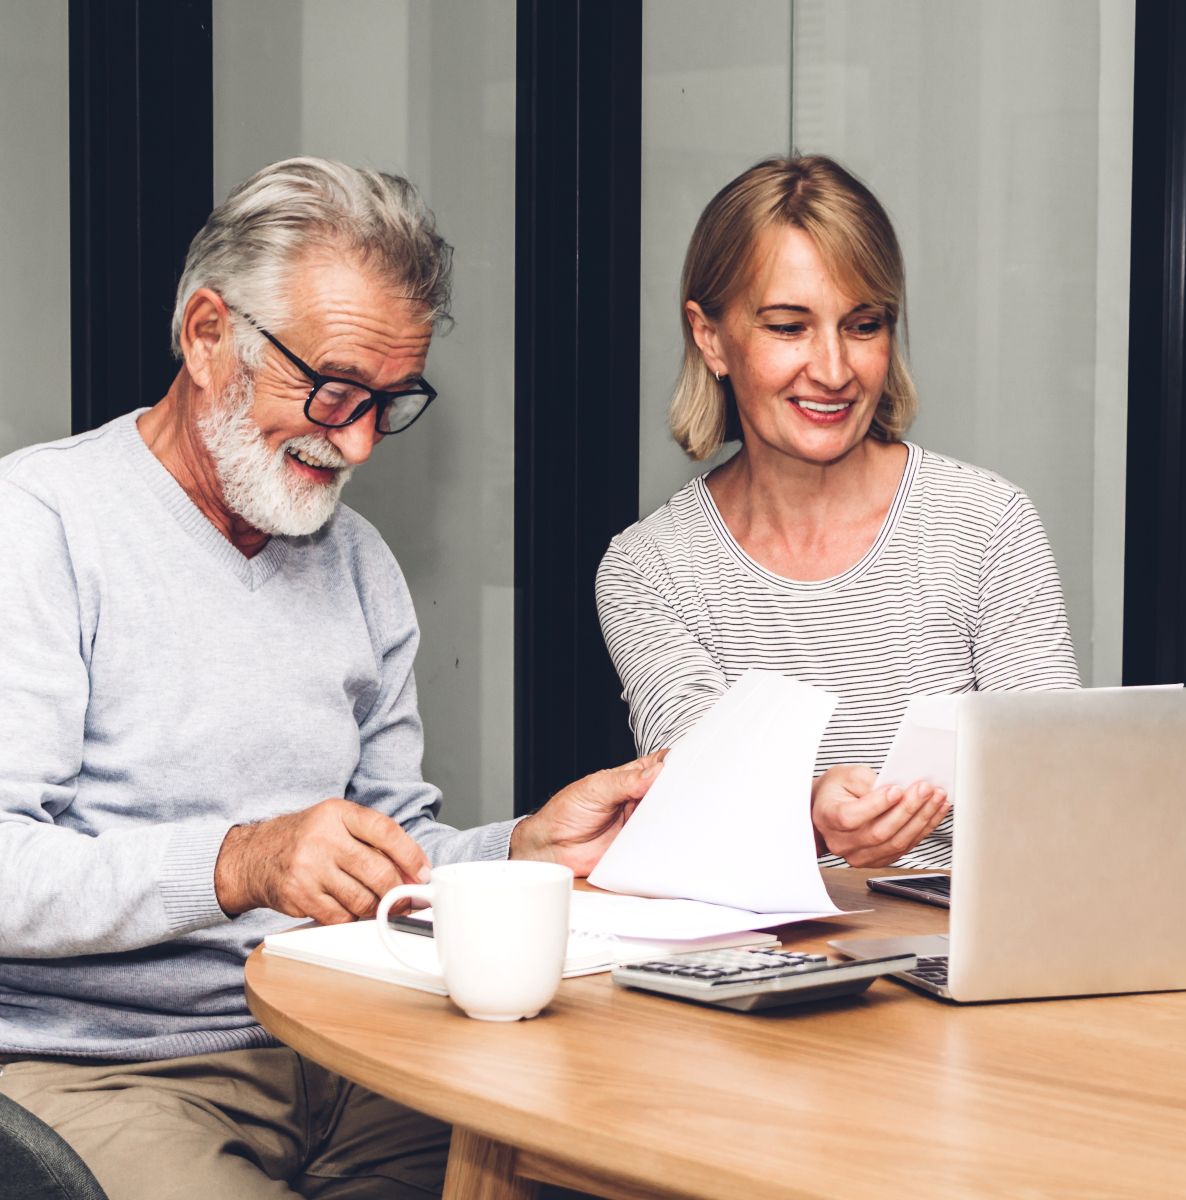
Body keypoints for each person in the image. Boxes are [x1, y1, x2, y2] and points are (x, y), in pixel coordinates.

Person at [0, 157, 664, 1200]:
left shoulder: (356, 563)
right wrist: (240, 861)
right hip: (112, 1074)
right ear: (208, 334)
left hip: (352, 1047)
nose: (356, 440)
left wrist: (523, 848)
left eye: (387, 404)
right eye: (334, 389)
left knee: (596, 1171)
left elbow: (390, 853)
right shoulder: (40, 528)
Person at [596, 155, 1079, 871]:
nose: (832, 369)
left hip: (973, 958)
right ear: (709, 337)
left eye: (863, 325)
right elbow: (693, 797)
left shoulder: (987, 525)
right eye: (789, 326)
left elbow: (1060, 788)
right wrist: (808, 810)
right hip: (757, 963)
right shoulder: (650, 570)